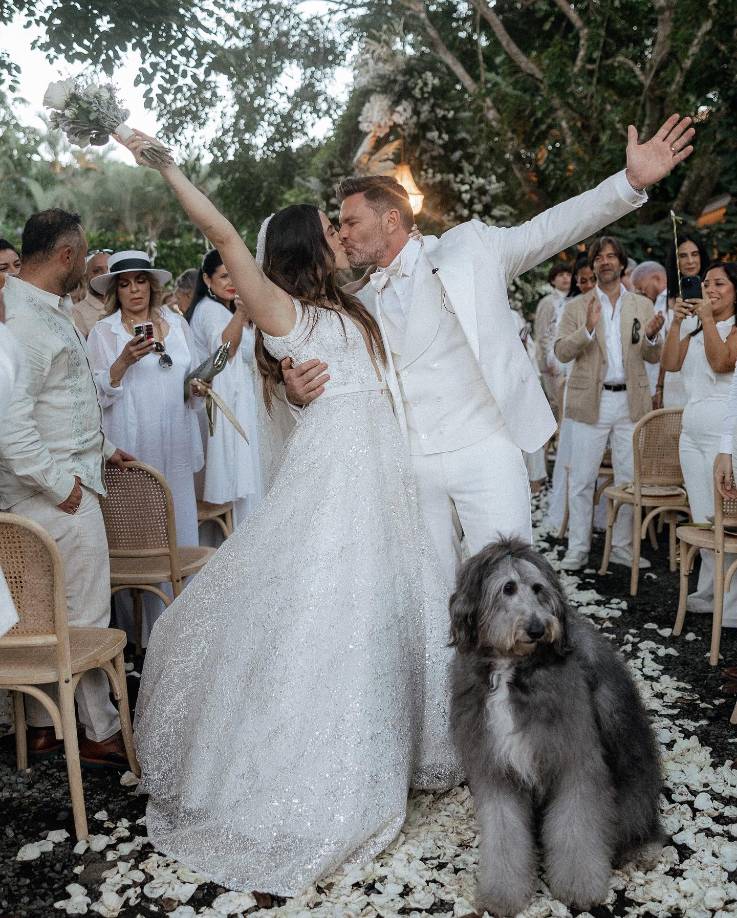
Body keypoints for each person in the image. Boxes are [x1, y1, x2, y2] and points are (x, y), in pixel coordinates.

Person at [117, 129, 460, 895]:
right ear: (312, 244)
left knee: (385, 612)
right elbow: (224, 235)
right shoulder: (284, 313)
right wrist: (167, 164)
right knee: (326, 621)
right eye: (333, 231)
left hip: (386, 481)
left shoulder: (357, 304)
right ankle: (320, 779)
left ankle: (393, 751)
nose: (344, 238)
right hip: (336, 484)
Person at [283, 112, 694, 587]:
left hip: (486, 449)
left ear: (390, 218)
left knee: (509, 585)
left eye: (351, 221)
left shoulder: (471, 248)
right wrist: (298, 392)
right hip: (412, 463)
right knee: (433, 596)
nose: (343, 233)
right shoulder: (360, 302)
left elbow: (551, 228)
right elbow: (337, 374)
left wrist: (627, 183)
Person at [0, 209, 134, 767]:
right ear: (66, 255)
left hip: (56, 484)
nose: (84, 262)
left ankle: (39, 730)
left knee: (45, 615)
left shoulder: (39, 312)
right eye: (82, 253)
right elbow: (11, 423)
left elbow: (60, 404)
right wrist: (65, 488)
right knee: (84, 614)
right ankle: (98, 730)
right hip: (50, 496)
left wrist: (104, 450)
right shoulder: (23, 322)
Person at [87, 250, 204, 642]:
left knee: (179, 531)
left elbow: (191, 377)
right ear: (114, 291)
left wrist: (198, 386)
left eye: (140, 281)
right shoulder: (105, 333)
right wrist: (122, 362)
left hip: (175, 438)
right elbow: (94, 397)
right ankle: (141, 641)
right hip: (133, 445)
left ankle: (182, 634)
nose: (133, 290)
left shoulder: (175, 321)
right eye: (124, 283)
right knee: (137, 540)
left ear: (152, 286)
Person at [554, 236, 665, 571]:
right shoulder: (577, 306)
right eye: (599, 257)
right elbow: (560, 351)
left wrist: (651, 336)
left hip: (630, 401)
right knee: (583, 479)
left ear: (622, 263)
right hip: (592, 402)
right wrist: (587, 329)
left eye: (611, 256)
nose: (605, 262)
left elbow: (652, 354)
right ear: (593, 265)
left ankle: (622, 547)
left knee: (629, 479)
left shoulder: (642, 306)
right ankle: (578, 547)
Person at [664, 262, 737, 625]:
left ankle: (732, 601)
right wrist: (677, 322)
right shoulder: (694, 327)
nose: (710, 288)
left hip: (723, 434)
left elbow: (722, 362)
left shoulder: (733, 327)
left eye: (720, 283)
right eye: (706, 283)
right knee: (702, 513)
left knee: (726, 516)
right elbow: (670, 364)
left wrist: (707, 318)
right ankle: (711, 589)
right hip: (691, 433)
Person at [187, 249, 263, 525]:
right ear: (207, 280)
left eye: (235, 275)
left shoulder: (224, 309)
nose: (232, 282)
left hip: (243, 403)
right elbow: (224, 352)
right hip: (226, 407)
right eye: (223, 276)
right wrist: (242, 313)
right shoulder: (209, 311)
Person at [545, 253, 595, 532]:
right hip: (575, 386)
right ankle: (566, 519)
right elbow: (557, 349)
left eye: (592, 279)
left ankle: (598, 518)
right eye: (583, 280)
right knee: (572, 457)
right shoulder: (571, 307)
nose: (588, 284)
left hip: (607, 395)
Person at [631, 260, 687, 409]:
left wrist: (659, 386)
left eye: (641, 288)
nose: (640, 293)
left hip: (672, 379)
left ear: (656, 279)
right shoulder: (656, 303)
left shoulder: (669, 300)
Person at [534, 262, 572, 417]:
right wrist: (549, 358)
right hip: (551, 359)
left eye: (568, 275)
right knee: (556, 402)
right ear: (553, 280)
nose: (565, 278)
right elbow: (542, 333)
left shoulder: (575, 300)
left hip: (571, 357)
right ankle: (554, 439)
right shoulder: (547, 302)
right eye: (561, 275)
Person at [70, 248, 111, 336]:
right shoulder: (78, 312)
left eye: (110, 269)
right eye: (97, 271)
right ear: (86, 277)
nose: (105, 274)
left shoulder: (127, 305)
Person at [665, 230, 709, 305]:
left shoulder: (714, 292)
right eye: (683, 256)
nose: (690, 261)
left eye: (694, 254)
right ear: (675, 260)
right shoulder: (664, 296)